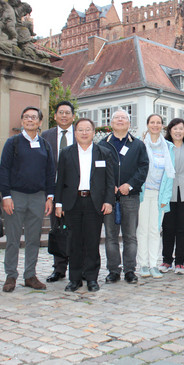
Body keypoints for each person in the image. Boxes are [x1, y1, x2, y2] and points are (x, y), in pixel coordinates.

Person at [54, 119, 115, 292]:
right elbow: (60, 181)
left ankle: (91, 278)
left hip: (94, 203)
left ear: (94, 132)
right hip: (72, 202)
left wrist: (108, 201)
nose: (84, 133)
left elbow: (110, 181)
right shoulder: (66, 153)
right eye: (80, 129)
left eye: (88, 129)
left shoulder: (103, 153)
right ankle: (74, 279)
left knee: (92, 241)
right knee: (74, 242)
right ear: (75, 132)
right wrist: (58, 203)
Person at [0, 106, 55, 292]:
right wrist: (6, 195)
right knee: (13, 238)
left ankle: (30, 275)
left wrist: (49, 196)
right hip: (16, 196)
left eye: (34, 117)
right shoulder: (13, 143)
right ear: (22, 121)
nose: (30, 120)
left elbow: (50, 172)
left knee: (33, 238)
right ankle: (11, 276)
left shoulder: (45, 145)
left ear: (40, 122)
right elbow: (4, 170)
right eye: (26, 117)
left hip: (38, 198)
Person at [98, 110, 149, 284]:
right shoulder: (101, 145)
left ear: (129, 123)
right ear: (111, 123)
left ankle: (129, 270)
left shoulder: (138, 145)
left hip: (130, 196)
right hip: (109, 198)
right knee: (111, 237)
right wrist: (107, 185)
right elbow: (97, 170)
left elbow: (143, 168)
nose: (120, 120)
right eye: (116, 118)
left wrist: (130, 184)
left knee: (130, 236)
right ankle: (113, 271)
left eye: (124, 118)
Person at [160, 118, 184, 274]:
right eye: (175, 128)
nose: (178, 131)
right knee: (168, 228)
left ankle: (180, 263)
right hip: (168, 193)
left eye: (181, 129)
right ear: (170, 131)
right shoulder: (165, 148)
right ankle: (166, 261)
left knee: (182, 228)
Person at [41, 101, 76, 283]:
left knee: (77, 230)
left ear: (73, 116)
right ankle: (59, 268)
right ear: (55, 116)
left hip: (76, 192)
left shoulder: (80, 135)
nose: (64, 116)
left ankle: (78, 267)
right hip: (54, 192)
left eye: (67, 113)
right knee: (57, 229)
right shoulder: (45, 136)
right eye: (60, 112)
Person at [137, 115, 175, 278]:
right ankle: (143, 264)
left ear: (162, 126)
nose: (155, 125)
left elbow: (170, 175)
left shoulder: (169, 147)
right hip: (144, 194)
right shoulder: (140, 145)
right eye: (152, 122)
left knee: (155, 230)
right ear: (147, 125)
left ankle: (153, 264)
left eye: (158, 123)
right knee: (142, 229)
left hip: (160, 195)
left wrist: (165, 197)